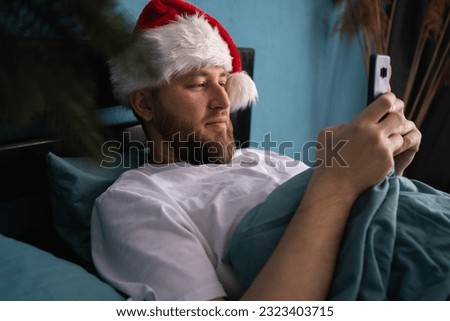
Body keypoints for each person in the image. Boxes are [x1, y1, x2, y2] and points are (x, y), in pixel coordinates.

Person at [91, 0, 421, 301]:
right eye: (199, 84)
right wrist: (339, 180)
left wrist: (384, 170)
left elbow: (357, 216)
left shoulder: (262, 158)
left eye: (223, 82)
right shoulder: (136, 201)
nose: (224, 103)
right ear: (145, 104)